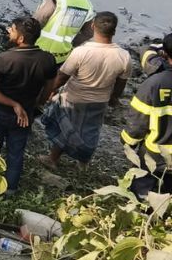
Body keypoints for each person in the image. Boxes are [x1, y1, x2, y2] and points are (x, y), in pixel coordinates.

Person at [39, 12, 130, 169]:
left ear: (93, 26)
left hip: (74, 98)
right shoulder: (124, 56)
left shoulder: (81, 51)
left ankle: (52, 159)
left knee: (65, 128)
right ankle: (83, 163)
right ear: (114, 31)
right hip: (100, 101)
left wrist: (50, 90)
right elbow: (121, 83)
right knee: (91, 132)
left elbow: (62, 76)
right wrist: (114, 98)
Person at [0, 17, 57, 196]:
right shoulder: (47, 60)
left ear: (21, 38)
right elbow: (49, 88)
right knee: (16, 152)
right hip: (25, 115)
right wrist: (36, 104)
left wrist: (14, 104)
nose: (9, 31)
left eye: (12, 29)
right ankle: (10, 189)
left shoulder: (5, 59)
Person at [120, 34, 172, 199]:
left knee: (144, 196)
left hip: (155, 155)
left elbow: (138, 124)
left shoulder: (154, 84)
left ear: (164, 54)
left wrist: (128, 143)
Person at [34, 0, 95, 65]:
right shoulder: (87, 4)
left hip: (39, 52)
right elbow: (88, 33)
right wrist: (69, 43)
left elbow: (36, 23)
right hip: (62, 57)